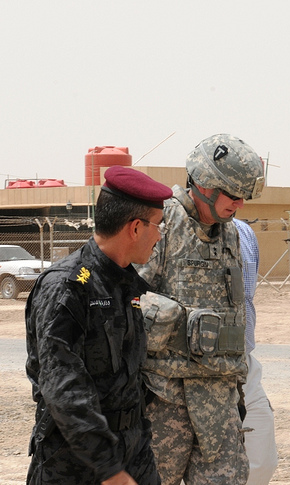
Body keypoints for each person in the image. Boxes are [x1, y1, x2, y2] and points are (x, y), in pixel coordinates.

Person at [25, 165, 173, 485]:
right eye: (158, 226)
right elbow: (64, 390)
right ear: (135, 228)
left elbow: (131, 380)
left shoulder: (127, 285)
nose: (160, 236)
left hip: (132, 454)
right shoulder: (67, 287)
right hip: (75, 465)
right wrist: (110, 470)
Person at [136, 134, 265, 485]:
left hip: (220, 401)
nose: (239, 204)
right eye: (233, 194)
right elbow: (126, 300)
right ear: (205, 184)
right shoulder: (161, 223)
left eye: (243, 197)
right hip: (166, 399)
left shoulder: (232, 234)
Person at [233, 218, 278, 484]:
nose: (237, 201)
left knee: (262, 462)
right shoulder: (172, 226)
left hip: (244, 365)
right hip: (193, 372)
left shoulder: (244, 232)